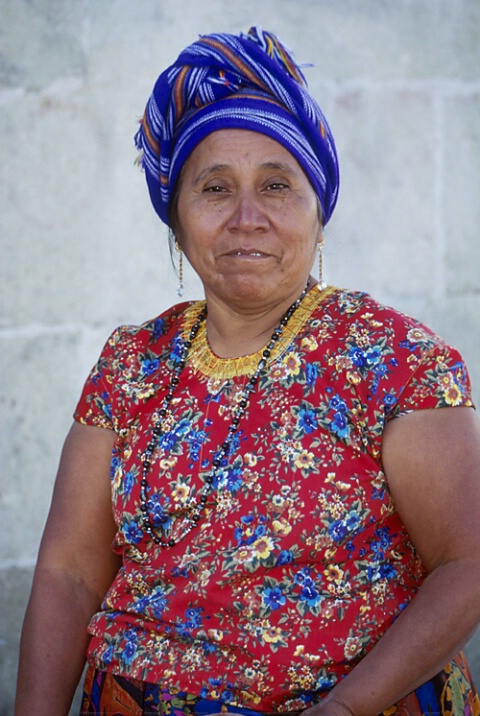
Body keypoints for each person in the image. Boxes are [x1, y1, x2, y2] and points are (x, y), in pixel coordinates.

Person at [15, 26, 480, 716]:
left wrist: (345, 710)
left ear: (319, 214)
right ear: (177, 221)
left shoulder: (389, 357)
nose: (247, 217)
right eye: (214, 188)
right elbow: (68, 572)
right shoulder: (130, 365)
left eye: (277, 186)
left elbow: (467, 563)